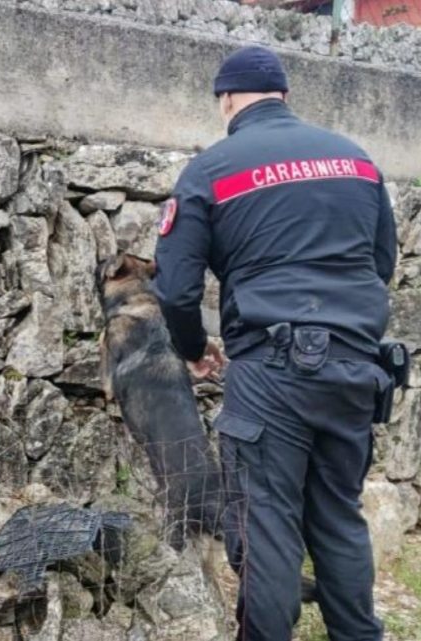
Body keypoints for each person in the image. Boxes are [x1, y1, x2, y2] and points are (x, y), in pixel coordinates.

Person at [153, 45, 396, 641]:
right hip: (355, 367)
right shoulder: (357, 162)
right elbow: (381, 263)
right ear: (285, 96)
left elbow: (178, 291)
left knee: (266, 525)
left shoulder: (212, 169)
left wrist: (192, 348)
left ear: (228, 99)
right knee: (339, 518)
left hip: (272, 371)